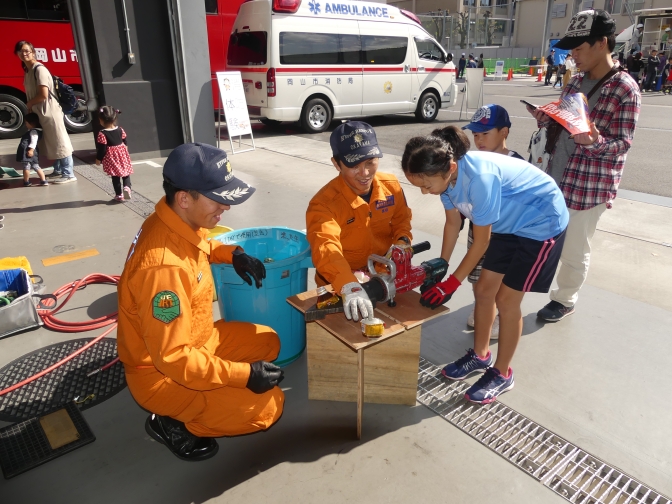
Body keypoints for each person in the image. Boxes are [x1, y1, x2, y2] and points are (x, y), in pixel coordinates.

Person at [117, 143, 285, 461]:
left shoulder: (176, 220)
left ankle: (214, 396)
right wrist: (244, 376)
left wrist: (233, 254)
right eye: (217, 198)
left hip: (199, 340)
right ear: (184, 198)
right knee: (268, 407)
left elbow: (203, 244)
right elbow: (174, 359)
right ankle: (174, 422)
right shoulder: (163, 269)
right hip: (162, 375)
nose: (226, 206)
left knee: (269, 342)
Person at [401, 126, 568, 404]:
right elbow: (453, 223)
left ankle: (502, 374)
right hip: (508, 223)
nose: (423, 191)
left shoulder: (480, 178)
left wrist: (450, 285)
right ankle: (480, 356)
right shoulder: (446, 180)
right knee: (483, 291)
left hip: (541, 223)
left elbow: (480, 243)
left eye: (426, 184)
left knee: (506, 300)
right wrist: (442, 264)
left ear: (450, 167)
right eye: (418, 185)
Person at [527, 9, 641, 322]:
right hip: (557, 173)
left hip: (589, 185)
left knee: (574, 248)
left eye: (578, 48)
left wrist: (595, 142)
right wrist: (547, 118)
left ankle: (565, 299)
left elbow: (623, 144)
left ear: (602, 43)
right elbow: (565, 119)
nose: (572, 55)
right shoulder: (575, 80)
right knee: (547, 238)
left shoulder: (625, 89)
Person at [306, 121, 412, 322]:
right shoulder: (323, 204)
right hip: (338, 286)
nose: (365, 173)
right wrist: (348, 285)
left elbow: (402, 220)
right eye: (354, 165)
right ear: (337, 164)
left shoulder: (392, 187)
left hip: (382, 278)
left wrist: (403, 241)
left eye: (370, 162)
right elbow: (326, 247)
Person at [460, 104, 525, 338]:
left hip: (506, 236)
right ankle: (483, 306)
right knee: (478, 279)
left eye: (485, 134)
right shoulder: (474, 162)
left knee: (501, 283)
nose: (479, 140)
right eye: (475, 135)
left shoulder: (518, 164)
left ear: (504, 132)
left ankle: (498, 314)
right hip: (478, 230)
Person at [15, 40, 75, 184]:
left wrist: (29, 103)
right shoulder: (28, 70)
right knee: (51, 140)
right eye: (20, 51)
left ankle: (69, 174)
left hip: (49, 110)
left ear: (33, 52)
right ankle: (59, 170)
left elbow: (43, 94)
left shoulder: (39, 69)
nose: (24, 54)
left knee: (60, 140)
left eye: (26, 50)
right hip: (41, 111)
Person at [95, 106, 133, 202]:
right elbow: (125, 141)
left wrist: (98, 159)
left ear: (101, 120)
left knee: (115, 176)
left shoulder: (102, 133)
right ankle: (127, 188)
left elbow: (102, 149)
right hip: (122, 154)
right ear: (115, 118)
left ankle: (119, 195)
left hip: (112, 158)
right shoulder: (120, 129)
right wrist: (125, 151)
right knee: (126, 173)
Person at [16, 113, 48, 187]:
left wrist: (31, 150)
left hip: (27, 151)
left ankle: (26, 181)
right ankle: (43, 180)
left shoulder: (33, 131)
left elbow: (34, 141)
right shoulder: (37, 131)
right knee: (36, 166)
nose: (26, 125)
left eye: (26, 123)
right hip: (33, 151)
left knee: (26, 166)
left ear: (32, 123)